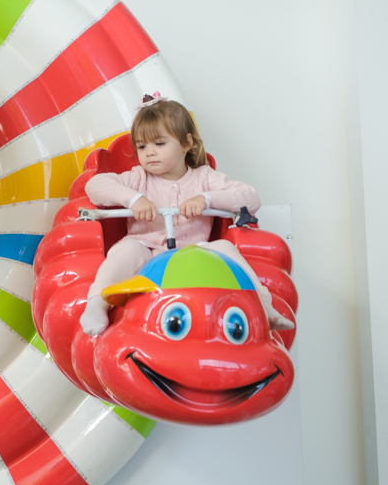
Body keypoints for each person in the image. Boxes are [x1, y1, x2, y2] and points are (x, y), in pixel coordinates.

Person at [78, 94, 296, 337]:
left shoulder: (204, 177)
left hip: (194, 253)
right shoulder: (138, 177)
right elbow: (94, 186)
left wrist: (206, 199)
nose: (149, 153)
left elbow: (250, 198)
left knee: (224, 248)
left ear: (185, 143)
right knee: (126, 249)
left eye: (159, 144)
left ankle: (262, 305)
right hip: (145, 253)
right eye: (141, 146)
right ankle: (97, 303)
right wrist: (133, 199)